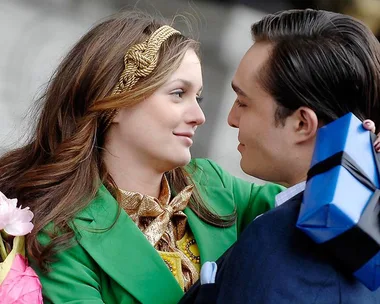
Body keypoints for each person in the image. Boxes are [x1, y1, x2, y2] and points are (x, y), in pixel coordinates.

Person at [0, 10, 287, 304]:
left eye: (197, 98)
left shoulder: (212, 185)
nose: (199, 116)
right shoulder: (61, 234)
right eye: (178, 94)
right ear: (115, 103)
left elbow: (311, 207)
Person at [180, 8, 380, 304]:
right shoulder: (365, 228)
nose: (231, 118)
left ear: (302, 124)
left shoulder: (278, 242)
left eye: (244, 103)